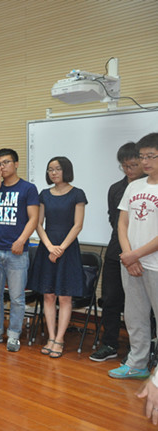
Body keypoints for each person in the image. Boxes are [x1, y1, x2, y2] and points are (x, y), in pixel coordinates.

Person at [109, 133, 158, 379]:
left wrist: (135, 255)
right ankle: (137, 364)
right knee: (135, 317)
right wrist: (128, 255)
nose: (144, 162)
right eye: (142, 156)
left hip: (154, 265)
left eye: (151, 156)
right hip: (131, 264)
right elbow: (122, 223)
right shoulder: (134, 186)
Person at [28, 157, 87, 358]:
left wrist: (60, 248)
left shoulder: (77, 193)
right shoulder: (44, 194)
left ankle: (60, 339)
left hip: (67, 249)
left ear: (66, 170)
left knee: (64, 296)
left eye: (58, 169)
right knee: (48, 295)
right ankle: (51, 337)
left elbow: (78, 225)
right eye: (50, 169)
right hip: (47, 247)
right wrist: (49, 247)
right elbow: (38, 223)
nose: (53, 173)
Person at [90, 142, 144, 362]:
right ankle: (110, 344)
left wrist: (134, 252)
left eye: (133, 165)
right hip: (117, 252)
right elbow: (115, 221)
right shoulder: (116, 189)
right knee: (110, 299)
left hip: (144, 253)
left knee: (142, 305)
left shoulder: (151, 187)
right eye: (124, 166)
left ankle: (140, 349)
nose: (128, 170)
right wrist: (125, 249)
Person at [0, 148, 39, 352]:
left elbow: (34, 218)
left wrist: (21, 240)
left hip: (17, 252)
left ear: (16, 164)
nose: (2, 167)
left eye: (5, 162)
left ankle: (14, 335)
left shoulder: (28, 188)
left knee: (16, 297)